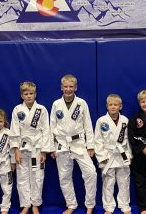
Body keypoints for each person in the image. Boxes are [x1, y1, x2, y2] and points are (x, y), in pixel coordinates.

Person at [50, 74, 97, 214]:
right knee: (64, 177)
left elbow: (88, 124)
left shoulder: (81, 103)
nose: (68, 89)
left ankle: (89, 205)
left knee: (91, 173)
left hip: (79, 143)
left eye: (71, 86)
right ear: (61, 87)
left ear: (76, 87)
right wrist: (51, 147)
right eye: (66, 86)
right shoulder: (56, 104)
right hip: (62, 144)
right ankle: (71, 204)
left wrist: (91, 146)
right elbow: (51, 126)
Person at [9, 81, 51, 214]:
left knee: (38, 177)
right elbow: (14, 131)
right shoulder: (17, 109)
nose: (28, 96)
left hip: (38, 148)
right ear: (22, 95)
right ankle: (25, 204)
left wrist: (44, 151)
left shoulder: (42, 109)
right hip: (22, 148)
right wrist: (15, 151)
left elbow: (46, 131)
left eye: (31, 93)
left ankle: (35, 204)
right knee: (22, 178)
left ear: (35, 94)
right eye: (26, 94)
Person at [94, 94, 132, 214]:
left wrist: (130, 155)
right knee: (108, 183)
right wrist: (101, 157)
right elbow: (98, 140)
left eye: (116, 105)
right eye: (110, 104)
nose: (113, 107)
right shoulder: (101, 121)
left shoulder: (125, 120)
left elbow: (129, 140)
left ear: (120, 106)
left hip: (122, 155)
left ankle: (125, 205)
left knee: (124, 181)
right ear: (107, 106)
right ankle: (109, 207)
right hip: (108, 155)